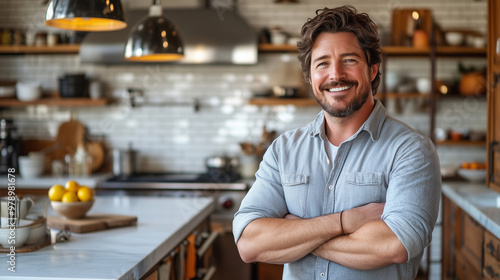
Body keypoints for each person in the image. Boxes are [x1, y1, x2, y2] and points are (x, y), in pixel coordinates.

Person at [233, 5, 441, 280]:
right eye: (322, 63)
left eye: (350, 60)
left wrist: (297, 236)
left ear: (373, 69)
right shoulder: (284, 150)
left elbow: (394, 245)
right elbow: (250, 243)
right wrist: (344, 223)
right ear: (309, 76)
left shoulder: (411, 150)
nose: (335, 74)